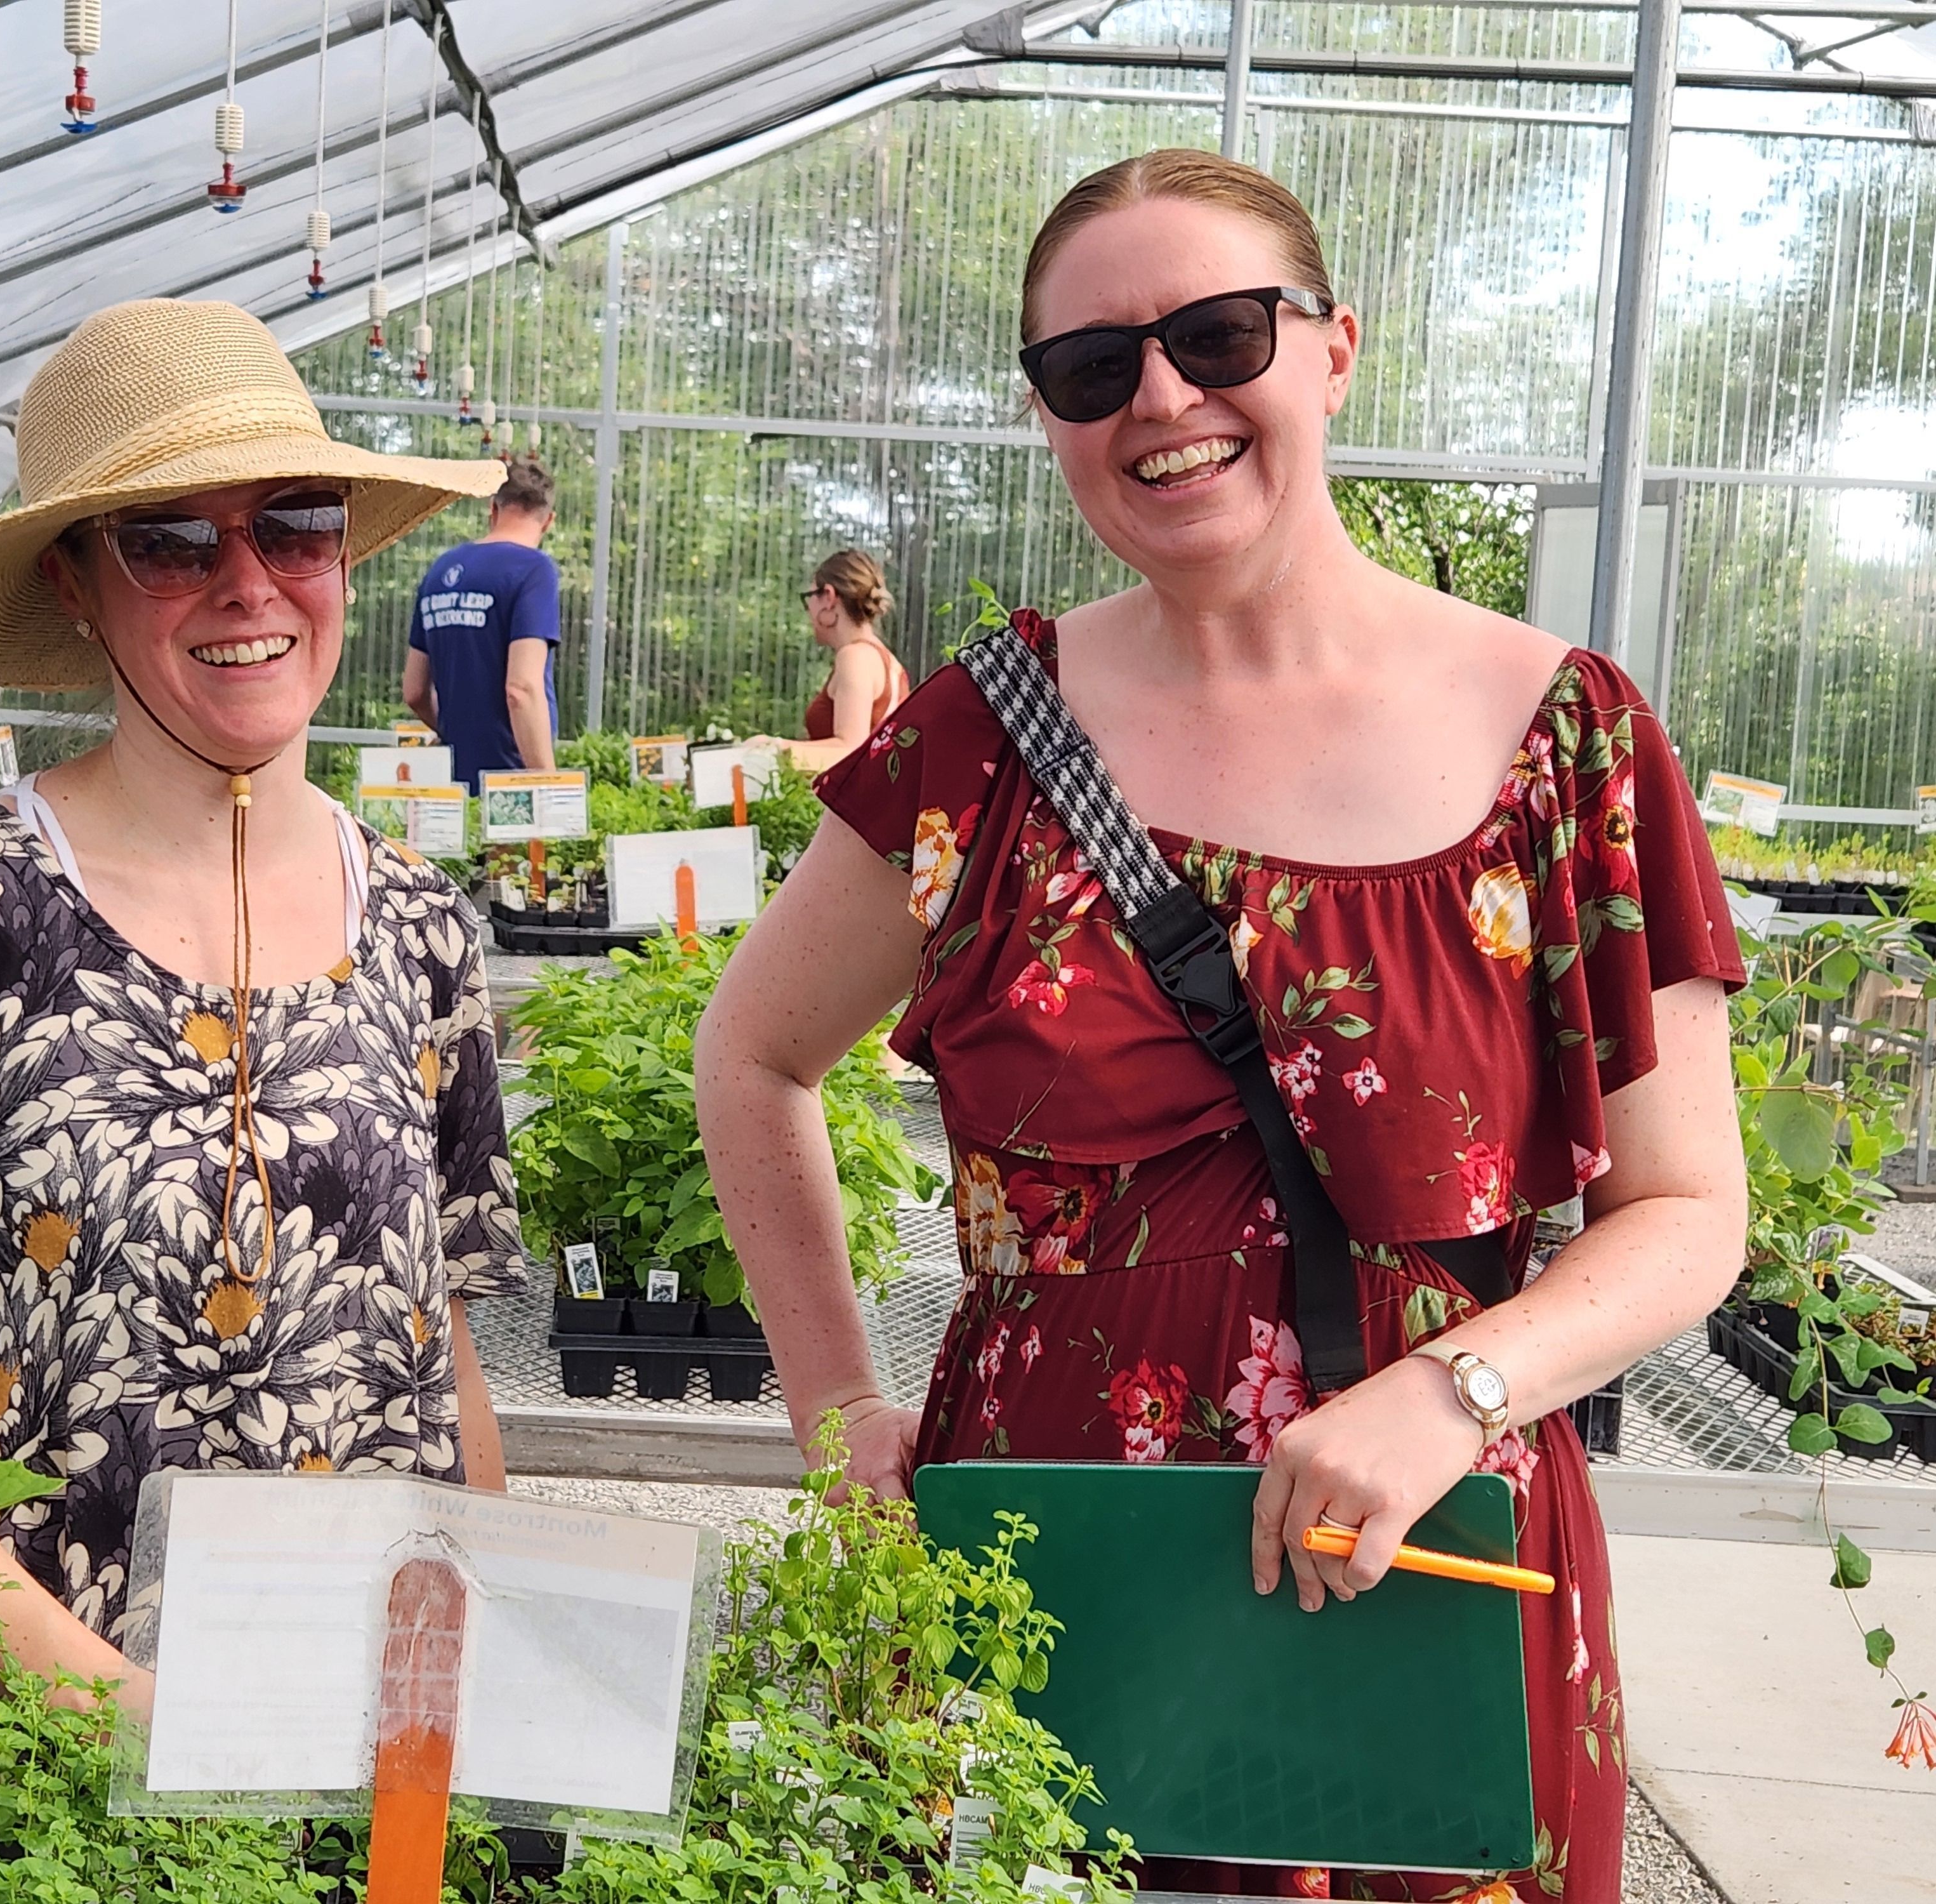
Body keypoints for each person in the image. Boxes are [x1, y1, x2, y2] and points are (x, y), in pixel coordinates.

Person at [694, 150, 1745, 1903]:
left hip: (1418, 1545)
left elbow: (1689, 1208)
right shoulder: (982, 743)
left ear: (1335, 351)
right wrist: (833, 1414)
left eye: (1219, 333)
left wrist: (1454, 1390)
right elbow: (754, 1055)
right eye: (1093, 370)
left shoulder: (1566, 747)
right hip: (1040, 1556)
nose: (1163, 399)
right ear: (1051, 418)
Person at [0, 298, 529, 1710]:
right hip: (16, 1778)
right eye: (172, 541)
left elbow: (449, 1358)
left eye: (292, 524)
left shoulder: (421, 924)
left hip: (351, 1753)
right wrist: (117, 1713)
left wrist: (466, 1698)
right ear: (72, 580)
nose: (246, 584)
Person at [403, 458, 562, 788]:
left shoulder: (440, 571)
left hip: (452, 784)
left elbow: (415, 691)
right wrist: (547, 784)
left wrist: (455, 731)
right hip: (510, 782)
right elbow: (522, 689)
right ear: (548, 521)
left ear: (493, 509)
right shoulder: (534, 570)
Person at [765, 549, 911, 775]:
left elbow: (849, 750)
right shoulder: (888, 662)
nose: (809, 611)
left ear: (829, 598)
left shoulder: (856, 657)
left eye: (810, 598)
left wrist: (769, 751)